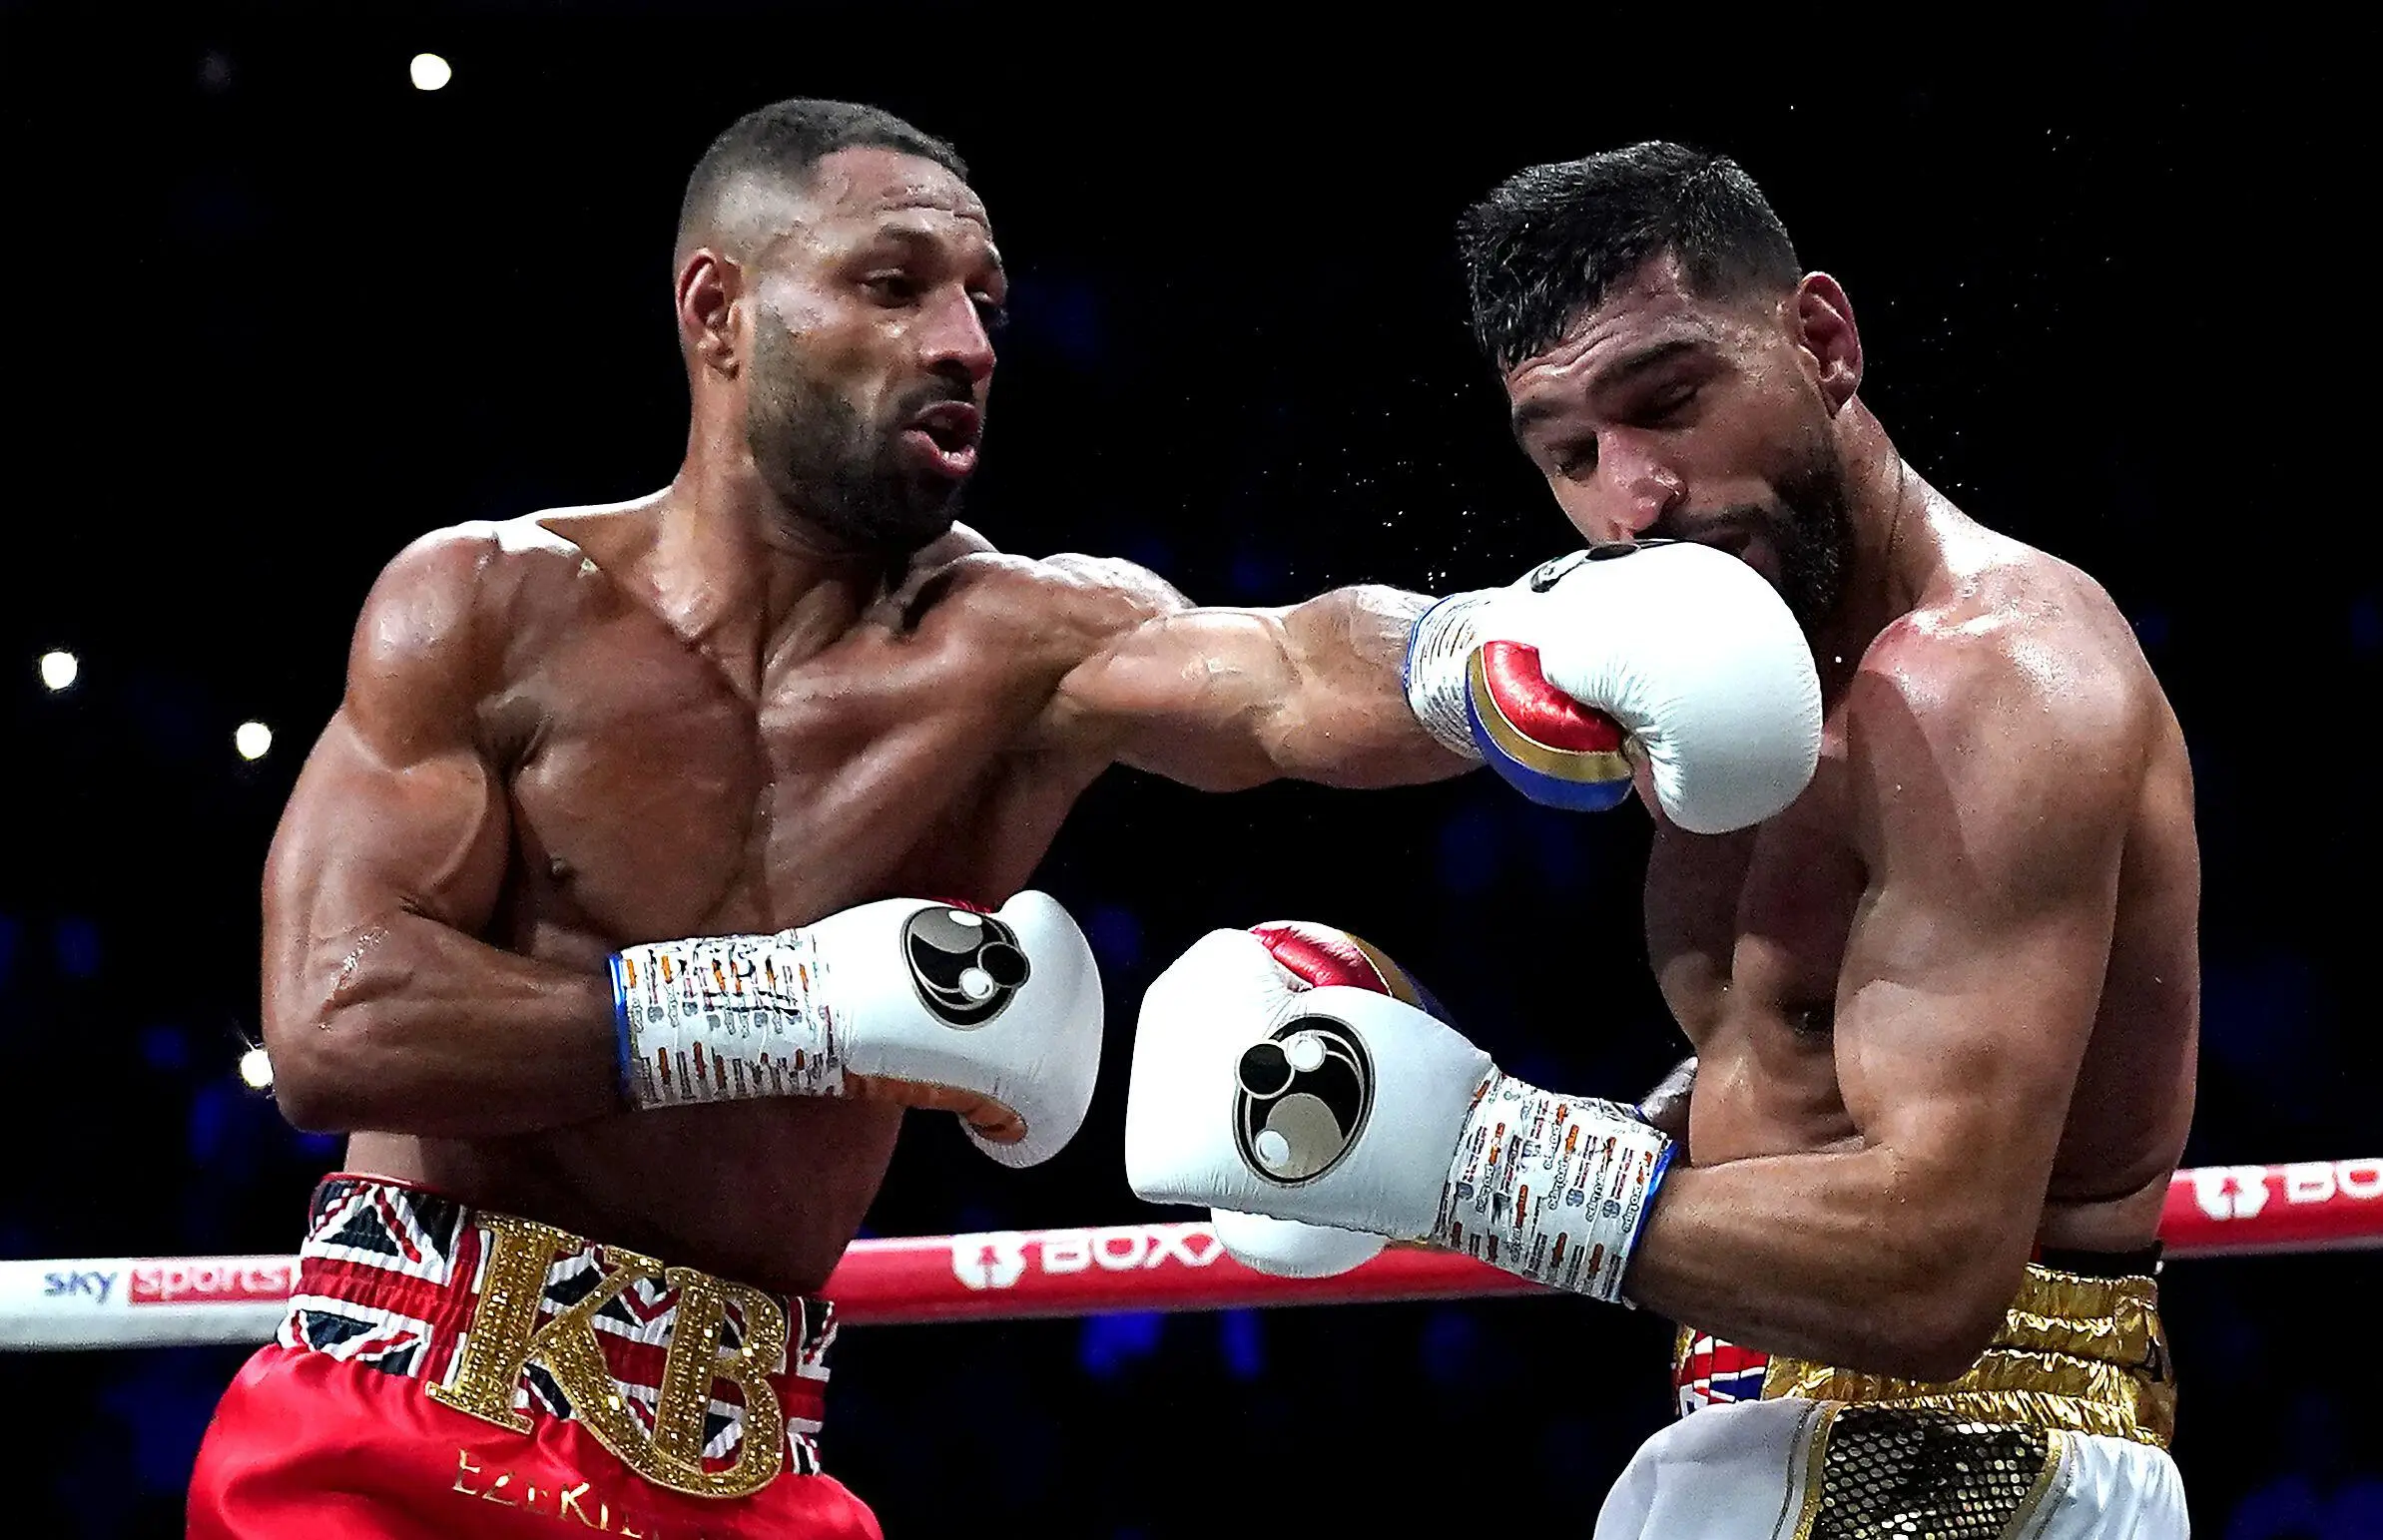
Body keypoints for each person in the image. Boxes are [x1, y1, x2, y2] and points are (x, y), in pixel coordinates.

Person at [184, 104, 1821, 1539]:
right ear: (718, 311)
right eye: (895, 286)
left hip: (750, 1468)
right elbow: (336, 1025)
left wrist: (1501, 646)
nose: (966, 339)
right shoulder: (485, 603)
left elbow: (1283, 669)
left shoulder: (1026, 642)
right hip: (394, 1431)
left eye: (986, 301)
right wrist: (789, 1008)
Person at [1126, 140, 2198, 1537]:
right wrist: (1405, 1113)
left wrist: (1463, 1159)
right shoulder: (1686, 660)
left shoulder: (1990, 678)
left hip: (1978, 1461)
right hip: (1742, 1425)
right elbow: (1281, 675)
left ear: (1820, 341)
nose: (1629, 497)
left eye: (1670, 402)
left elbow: (1933, 1269)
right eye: (1568, 452)